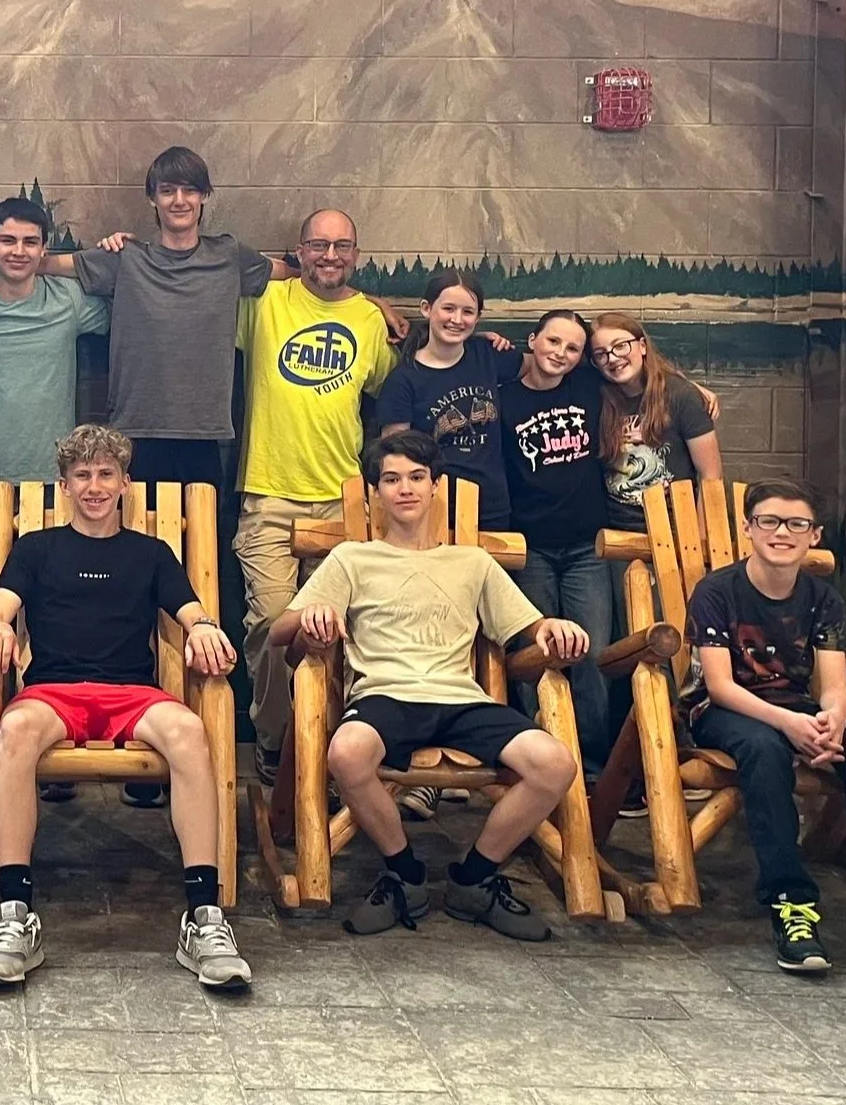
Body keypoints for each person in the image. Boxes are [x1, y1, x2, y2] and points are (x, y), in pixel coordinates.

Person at [275, 430, 589, 943]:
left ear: (436, 486)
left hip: (460, 699)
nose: (405, 489)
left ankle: (474, 879)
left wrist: (551, 628)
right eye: (392, 479)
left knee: (554, 763)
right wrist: (312, 612)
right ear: (374, 492)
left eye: (417, 478)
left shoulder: (472, 563)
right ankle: (405, 873)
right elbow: (280, 634)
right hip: (386, 694)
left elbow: (524, 628)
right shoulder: (352, 559)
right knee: (348, 754)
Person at [0, 425, 252, 990]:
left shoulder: (150, 553)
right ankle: (15, 914)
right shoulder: (36, 549)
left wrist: (203, 631)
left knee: (191, 731)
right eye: (82, 475)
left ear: (125, 482)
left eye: (105, 474)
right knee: (15, 729)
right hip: (54, 693)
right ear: (65, 485)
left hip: (133, 695)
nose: (94, 486)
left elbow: (191, 611)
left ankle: (204, 917)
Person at [682, 480, 846, 975]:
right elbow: (721, 686)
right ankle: (790, 905)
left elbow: (835, 685)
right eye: (769, 521)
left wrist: (833, 722)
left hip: (797, 708)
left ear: (814, 536)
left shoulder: (822, 599)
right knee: (765, 750)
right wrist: (790, 725)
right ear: (748, 529)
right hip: (723, 713)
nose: (782, 532)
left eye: (797, 524)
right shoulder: (717, 592)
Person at [0, 196, 110, 804]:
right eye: (6, 242)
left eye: (30, 243)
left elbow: (140, 299)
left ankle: (52, 748)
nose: (18, 253)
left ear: (45, 250)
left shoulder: (68, 303)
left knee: (55, 622)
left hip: (56, 492)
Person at [233, 210, 395, 793]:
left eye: (343, 245)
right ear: (298, 250)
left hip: (344, 501)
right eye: (319, 244)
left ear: (357, 252)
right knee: (274, 627)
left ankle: (340, 745)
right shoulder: (265, 304)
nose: (331, 254)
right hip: (271, 494)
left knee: (346, 632)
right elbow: (201, 284)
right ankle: (277, 744)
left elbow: (391, 390)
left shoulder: (370, 320)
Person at [73, 147, 278, 491]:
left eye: (189, 190)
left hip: (205, 433)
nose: (179, 200)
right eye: (168, 191)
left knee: (205, 540)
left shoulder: (229, 256)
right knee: (139, 541)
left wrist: (376, 302)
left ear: (204, 196)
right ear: (153, 199)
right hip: (136, 431)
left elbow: (303, 276)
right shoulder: (124, 258)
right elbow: (46, 265)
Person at [498, 310, 614, 780]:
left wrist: (697, 391)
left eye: (571, 348)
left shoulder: (588, 387)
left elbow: (644, 376)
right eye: (552, 342)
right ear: (533, 340)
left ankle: (590, 765)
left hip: (587, 547)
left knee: (592, 654)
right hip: (532, 549)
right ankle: (535, 758)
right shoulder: (503, 399)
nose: (560, 354)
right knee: (535, 657)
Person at [378, 269, 515, 530]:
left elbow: (537, 368)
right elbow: (394, 458)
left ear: (478, 317)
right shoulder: (403, 381)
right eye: (448, 308)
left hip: (493, 507)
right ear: (427, 309)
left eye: (467, 312)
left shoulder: (487, 354)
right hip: (433, 512)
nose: (457, 319)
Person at [591, 311, 722, 531]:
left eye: (620, 346)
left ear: (642, 346)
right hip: (615, 533)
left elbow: (711, 475)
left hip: (675, 529)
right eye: (601, 354)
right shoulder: (595, 395)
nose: (612, 358)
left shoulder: (681, 395)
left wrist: (700, 543)